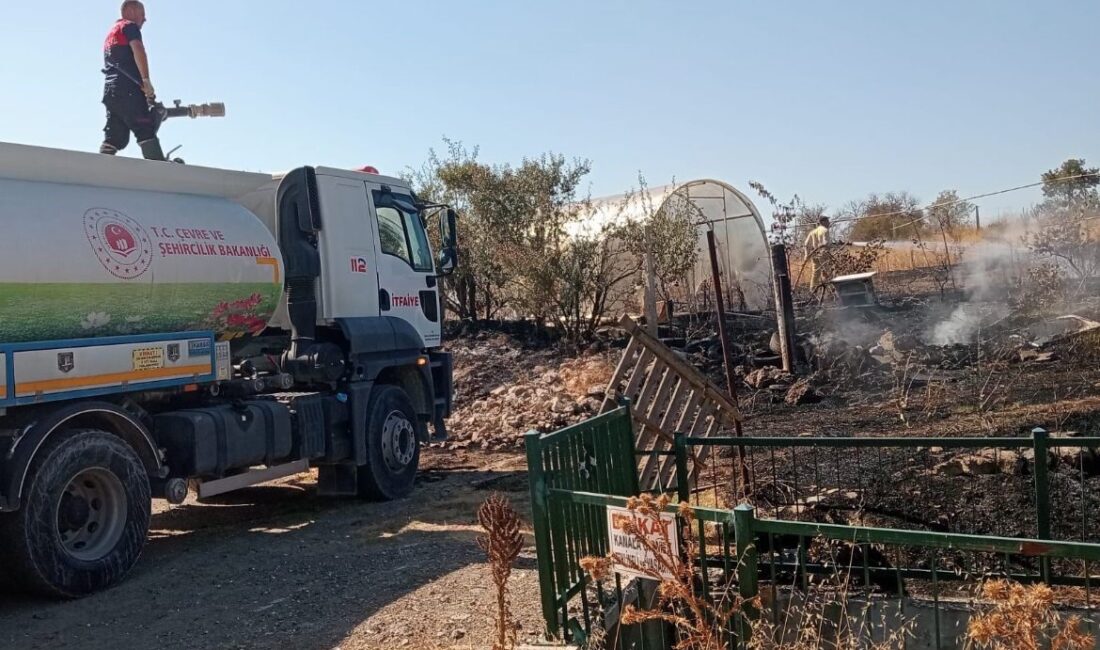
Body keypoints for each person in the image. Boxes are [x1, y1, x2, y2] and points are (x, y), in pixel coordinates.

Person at [100, 1, 164, 160]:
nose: (145, 19)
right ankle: (160, 170)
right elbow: (138, 49)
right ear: (132, 11)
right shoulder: (129, 26)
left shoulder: (111, 34)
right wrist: (146, 80)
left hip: (111, 92)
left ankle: (100, 168)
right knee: (144, 128)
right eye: (142, 14)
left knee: (115, 136)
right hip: (128, 90)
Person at [803, 215, 832, 290]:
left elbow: (806, 244)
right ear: (823, 222)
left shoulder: (813, 232)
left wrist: (806, 255)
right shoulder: (825, 230)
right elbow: (826, 243)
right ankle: (827, 291)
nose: (829, 222)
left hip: (815, 255)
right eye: (827, 221)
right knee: (826, 272)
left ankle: (813, 290)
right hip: (824, 254)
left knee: (815, 273)